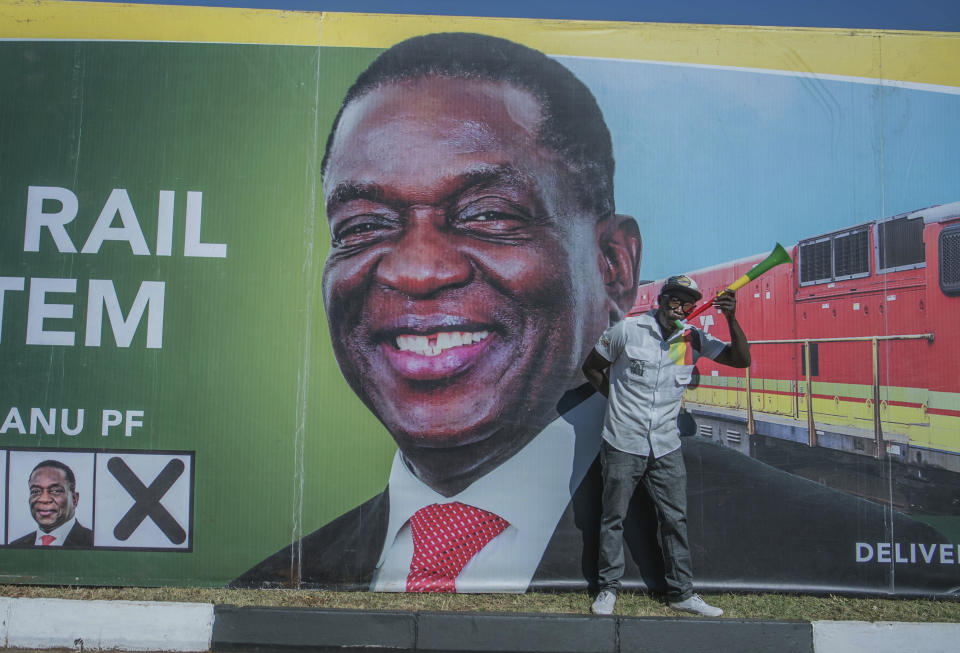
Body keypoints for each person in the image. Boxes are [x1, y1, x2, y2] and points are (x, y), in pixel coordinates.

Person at [234, 32, 955, 597]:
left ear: (614, 264)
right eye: (362, 226)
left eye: (488, 213)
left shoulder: (838, 559)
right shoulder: (275, 584)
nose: (417, 269)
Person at [583, 276, 748, 616]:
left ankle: (682, 593)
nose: (681, 306)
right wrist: (616, 402)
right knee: (613, 518)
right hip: (622, 441)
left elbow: (740, 359)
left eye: (688, 302)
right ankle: (608, 589)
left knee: (675, 520)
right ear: (661, 299)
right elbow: (592, 367)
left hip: (666, 446)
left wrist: (731, 319)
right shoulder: (627, 331)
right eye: (675, 299)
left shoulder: (692, 338)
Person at [9, 460, 93, 548]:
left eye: (55, 491)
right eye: (36, 491)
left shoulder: (93, 541)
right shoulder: (16, 546)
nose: (44, 499)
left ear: (74, 499)